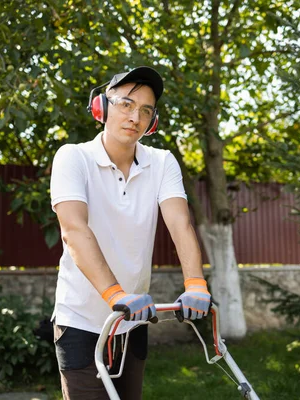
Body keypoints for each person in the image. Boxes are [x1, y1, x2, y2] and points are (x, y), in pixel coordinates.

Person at [49, 66, 211, 400]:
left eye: (145, 110)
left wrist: (196, 283)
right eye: (126, 104)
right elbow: (74, 231)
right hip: (81, 321)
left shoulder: (162, 162)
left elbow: (180, 224)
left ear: (152, 122)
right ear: (102, 108)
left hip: (133, 323)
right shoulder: (73, 157)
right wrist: (115, 295)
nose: (135, 116)